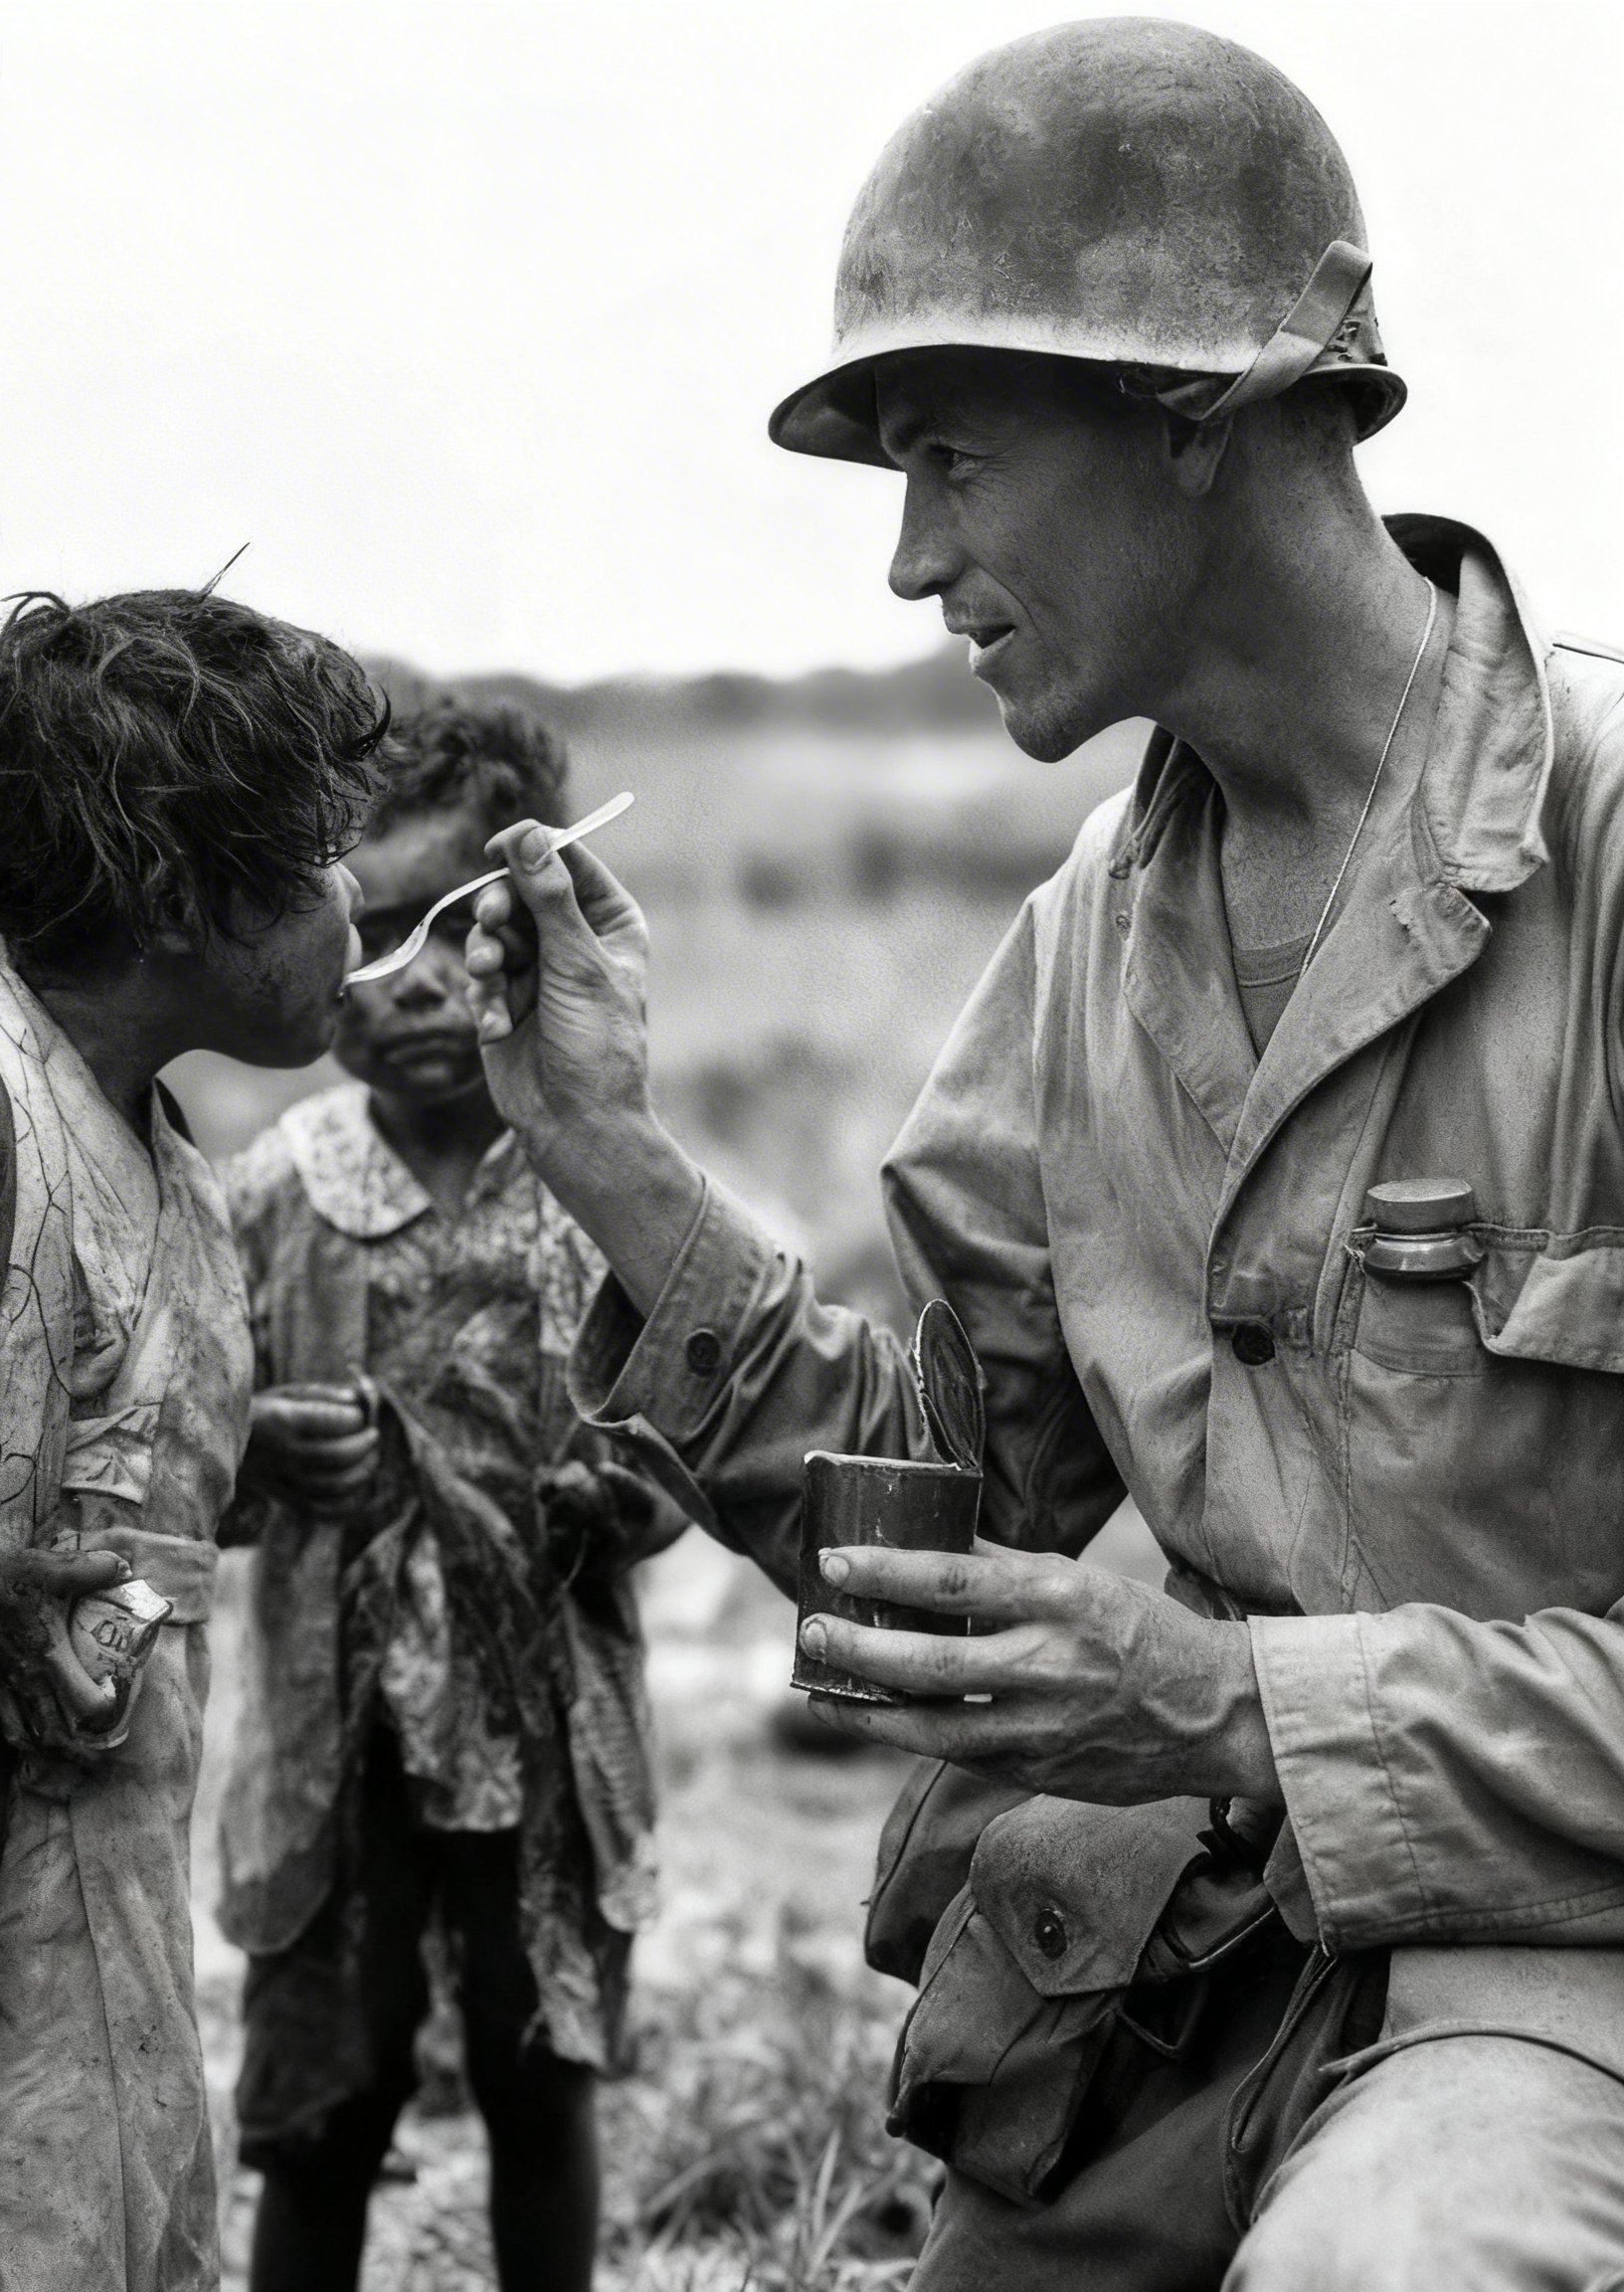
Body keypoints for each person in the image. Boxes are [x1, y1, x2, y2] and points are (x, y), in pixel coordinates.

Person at [460, 20, 1624, 2290]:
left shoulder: (1612, 848)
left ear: (1191, 411)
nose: (911, 561)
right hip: (1191, 1983)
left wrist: (1228, 1702)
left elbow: (1185, 1684)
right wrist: (606, 1159)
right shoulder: (1081, 953)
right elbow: (952, 1539)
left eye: (953, 460)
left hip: (1552, 1972)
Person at [0, 586, 384, 2290]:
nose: (359, 899)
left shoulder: (176, 1175)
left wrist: (248, 1479)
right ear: (180, 896)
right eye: (320, 856)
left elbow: (104, 1475)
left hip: (110, 1869)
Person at [217, 696, 678, 2292]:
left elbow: (684, 1450)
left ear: (527, 928)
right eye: (365, 927)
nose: (404, 980)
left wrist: (631, 1499)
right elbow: (173, 1460)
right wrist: (258, 1451)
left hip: (549, 1741)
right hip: (334, 1759)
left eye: (446, 929)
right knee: (319, 2117)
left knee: (538, 2079)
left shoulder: (604, 1180)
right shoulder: (274, 1194)